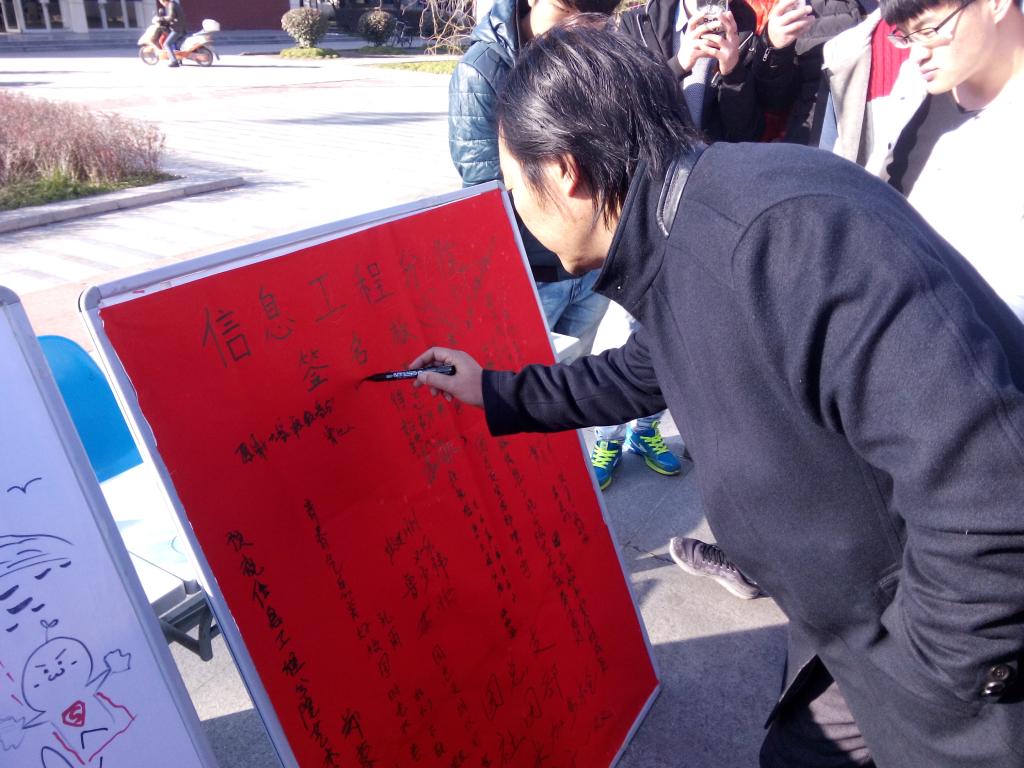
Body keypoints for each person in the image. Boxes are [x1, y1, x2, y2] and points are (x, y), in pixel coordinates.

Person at [412, 21, 1024, 766]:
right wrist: (493, 390)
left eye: (517, 192)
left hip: (951, 668)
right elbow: (635, 372)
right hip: (856, 630)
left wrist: (928, 680)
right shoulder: (680, 231)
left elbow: (991, 496)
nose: (520, 215)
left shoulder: (786, 238)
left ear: (566, 173)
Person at [448, 0, 619, 361]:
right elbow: (485, 191)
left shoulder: (594, 53)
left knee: (577, 380)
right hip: (533, 275)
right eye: (563, 11)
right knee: (525, 379)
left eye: (590, 18)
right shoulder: (484, 70)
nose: (574, 28)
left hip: (594, 267)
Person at [156, 0, 187, 68]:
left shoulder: (171, 5)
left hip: (177, 29)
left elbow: (171, 17)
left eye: (162, 2)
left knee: (166, 44)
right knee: (176, 44)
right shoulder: (174, 3)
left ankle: (174, 61)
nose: (162, 4)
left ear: (164, 1)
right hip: (182, 28)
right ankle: (179, 59)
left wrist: (161, 19)